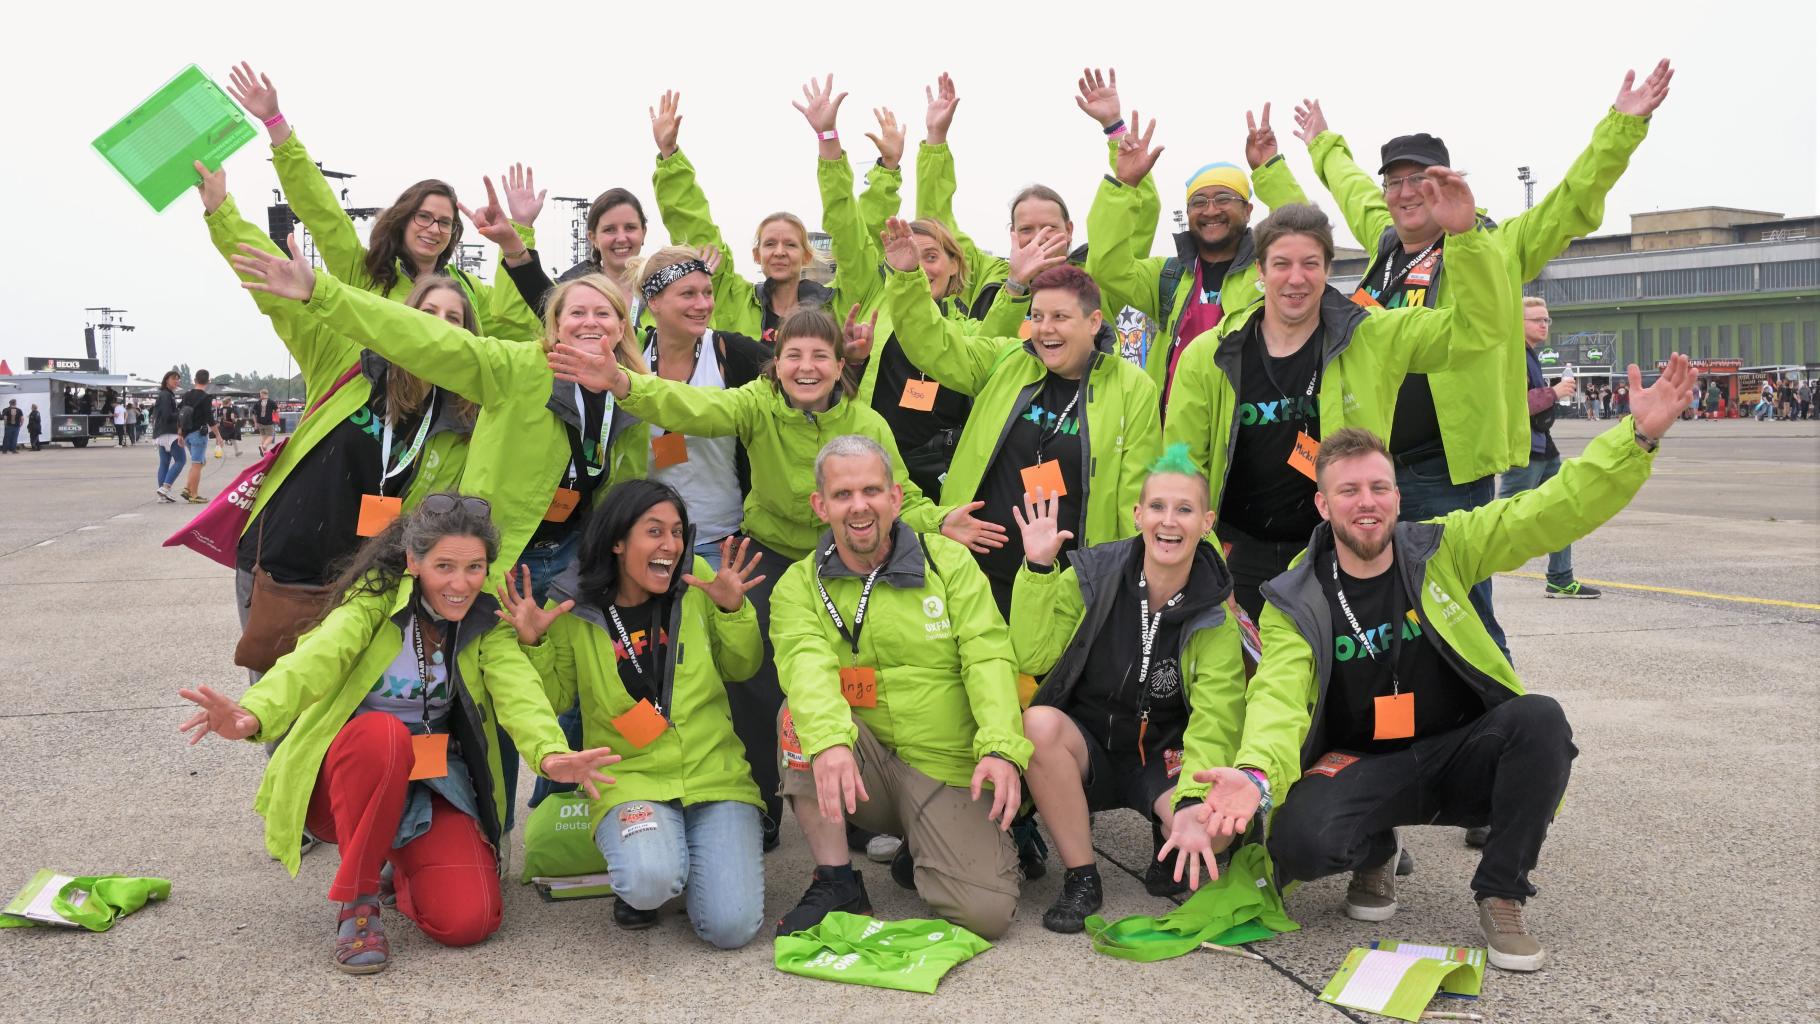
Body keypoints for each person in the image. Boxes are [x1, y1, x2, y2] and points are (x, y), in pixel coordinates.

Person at [1185, 354, 1695, 972]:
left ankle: (1502, 891)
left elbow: (1547, 510)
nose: (1365, 503)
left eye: (1378, 488)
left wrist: (1635, 439)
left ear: (1398, 496)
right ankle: (1375, 847)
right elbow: (1279, 698)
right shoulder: (1294, 598)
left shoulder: (1442, 548)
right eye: (1347, 491)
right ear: (1323, 505)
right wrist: (1256, 773)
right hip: (1365, 762)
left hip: (1459, 751)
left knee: (1539, 721)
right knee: (1300, 841)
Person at [1261, 60, 1674, 654]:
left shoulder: (1493, 245)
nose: (1406, 193)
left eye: (1419, 181)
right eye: (1395, 182)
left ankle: (1497, 716)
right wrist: (1313, 144)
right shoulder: (1385, 242)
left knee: (1458, 609)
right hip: (1371, 466)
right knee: (1376, 610)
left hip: (1443, 472)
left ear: (1445, 185)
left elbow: (1571, 204)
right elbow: (1346, 184)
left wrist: (1621, 127)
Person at [560, 305, 985, 849]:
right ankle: (762, 801)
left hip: (848, 561)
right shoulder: (755, 404)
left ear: (839, 365)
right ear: (774, 363)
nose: (806, 368)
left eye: (819, 357)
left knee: (850, 679)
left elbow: (899, 494)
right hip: (771, 556)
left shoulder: (866, 422)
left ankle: (860, 812)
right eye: (793, 356)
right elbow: (693, 405)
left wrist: (940, 521)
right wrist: (624, 384)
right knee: (755, 685)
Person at [178, 494, 620, 974]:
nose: (460, 583)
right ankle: (359, 903)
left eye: (474, 567)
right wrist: (254, 713)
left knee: (469, 922)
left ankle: (402, 861)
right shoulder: (372, 603)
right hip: (348, 780)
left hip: (431, 782)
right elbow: (314, 660)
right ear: (413, 561)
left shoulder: (486, 623)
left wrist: (551, 754)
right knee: (385, 736)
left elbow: (521, 695)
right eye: (444, 565)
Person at [1165, 173, 1510, 621]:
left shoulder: (1372, 337)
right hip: (1238, 555)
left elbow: (1478, 330)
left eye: (1310, 264)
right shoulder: (1209, 355)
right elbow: (1182, 467)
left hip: (1337, 552)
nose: (1296, 279)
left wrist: (1465, 238)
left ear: (1328, 270)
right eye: (1282, 264)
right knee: (1241, 683)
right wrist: (1205, 563)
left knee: (1339, 686)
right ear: (1259, 272)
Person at [769, 435, 1029, 940]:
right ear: (820, 505)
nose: (859, 506)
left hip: (944, 765)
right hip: (860, 763)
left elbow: (988, 655)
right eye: (842, 495)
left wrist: (1001, 746)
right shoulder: (798, 586)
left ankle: (927, 845)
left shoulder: (949, 564)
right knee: (797, 717)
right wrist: (827, 742)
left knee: (986, 915)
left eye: (871, 490)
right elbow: (806, 669)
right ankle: (837, 879)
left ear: (895, 497)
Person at [500, 480, 769, 945]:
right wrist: (535, 643)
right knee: (648, 882)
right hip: (631, 777)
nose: (671, 545)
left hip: (714, 774)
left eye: (678, 532)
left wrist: (733, 609)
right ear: (618, 541)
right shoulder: (573, 601)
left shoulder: (698, 580)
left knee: (732, 928)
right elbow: (558, 697)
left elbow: (742, 665)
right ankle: (654, 865)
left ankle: (686, 858)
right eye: (655, 531)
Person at [1010, 444, 1248, 931]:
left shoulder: (1215, 611)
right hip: (1091, 743)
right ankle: (1082, 876)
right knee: (1038, 724)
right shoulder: (1093, 576)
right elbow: (1031, 656)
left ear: (1207, 522)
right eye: (1158, 507)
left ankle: (1168, 839)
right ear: (1138, 514)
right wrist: (1037, 569)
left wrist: (1188, 806)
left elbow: (1217, 718)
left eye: (1184, 509)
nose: (1169, 521)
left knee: (1214, 827)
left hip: (1165, 757)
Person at [880, 218, 1163, 616]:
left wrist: (1125, 586)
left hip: (1067, 589)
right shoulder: (1006, 360)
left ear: (1094, 321)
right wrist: (908, 276)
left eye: (1061, 317)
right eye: (1038, 316)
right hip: (975, 576)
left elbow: (1136, 495)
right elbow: (933, 344)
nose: (1045, 329)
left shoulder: (1132, 388)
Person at [227, 62, 543, 342]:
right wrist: (275, 123)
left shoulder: (469, 291)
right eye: (423, 217)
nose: (433, 228)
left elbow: (520, 325)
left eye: (444, 222)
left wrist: (520, 230)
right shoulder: (363, 273)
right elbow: (322, 212)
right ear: (402, 221)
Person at [915, 69, 1161, 338]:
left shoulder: (1098, 277)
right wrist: (936, 138)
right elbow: (935, 228)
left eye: (1049, 227)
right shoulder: (986, 274)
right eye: (1026, 230)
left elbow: (1138, 221)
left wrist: (1116, 131)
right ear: (1012, 232)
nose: (1038, 238)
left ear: (1069, 230)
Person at [649, 84, 899, 342]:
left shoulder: (834, 305)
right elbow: (697, 231)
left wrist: (828, 138)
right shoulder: (734, 301)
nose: (779, 252)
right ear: (757, 255)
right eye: (770, 244)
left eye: (790, 244)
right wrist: (670, 157)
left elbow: (850, 234)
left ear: (806, 255)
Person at [1090, 104, 1292, 412]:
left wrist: (1268, 169)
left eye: (1224, 198)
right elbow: (1107, 266)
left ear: (1248, 210)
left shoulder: (1269, 271)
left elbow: (1301, 234)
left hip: (1250, 428)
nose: (1211, 210)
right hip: (1176, 442)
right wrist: (1125, 185)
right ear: (1187, 213)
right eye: (1199, 201)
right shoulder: (1167, 277)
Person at [1503, 298, 1600, 602]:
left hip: (1543, 447)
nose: (1544, 325)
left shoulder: (1530, 355)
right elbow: (1516, 404)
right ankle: (1464, 572)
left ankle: (1560, 578)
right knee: (1502, 519)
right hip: (1525, 448)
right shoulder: (1513, 355)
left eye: (1547, 320)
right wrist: (1555, 392)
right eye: (1537, 320)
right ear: (1518, 322)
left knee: (1563, 509)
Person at [176, 369, 220, 503]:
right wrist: (218, 435)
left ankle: (187, 488)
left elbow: (180, 414)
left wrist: (180, 433)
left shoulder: (186, 395)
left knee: (201, 462)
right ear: (208, 381)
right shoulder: (206, 397)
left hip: (187, 434)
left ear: (194, 380)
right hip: (198, 435)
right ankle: (193, 495)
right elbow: (210, 419)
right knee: (197, 464)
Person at [151, 371, 187, 500]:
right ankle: (165, 487)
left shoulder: (165, 394)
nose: (176, 381)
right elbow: (167, 415)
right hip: (170, 433)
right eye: (173, 379)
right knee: (181, 460)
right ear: (166, 380)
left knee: (164, 463)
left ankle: (163, 494)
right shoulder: (166, 395)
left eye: (178, 379)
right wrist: (180, 414)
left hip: (161, 433)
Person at [254, 388, 279, 454]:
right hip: (268, 422)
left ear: (263, 394)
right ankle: (264, 446)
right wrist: (274, 411)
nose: (260, 395)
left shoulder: (257, 403)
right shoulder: (271, 402)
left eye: (260, 394)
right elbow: (277, 410)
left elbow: (253, 413)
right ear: (266, 394)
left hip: (260, 422)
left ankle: (263, 451)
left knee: (263, 436)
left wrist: (255, 423)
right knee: (271, 436)